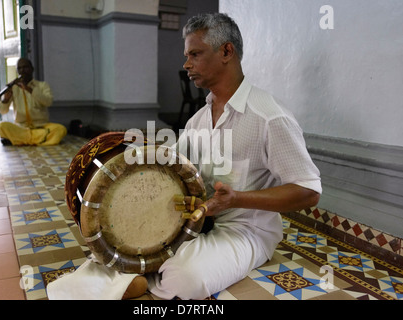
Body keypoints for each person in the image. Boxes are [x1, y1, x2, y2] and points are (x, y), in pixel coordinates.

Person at [47, 13, 322, 301]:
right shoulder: (198, 120)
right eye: (186, 55)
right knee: (121, 244)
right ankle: (138, 273)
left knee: (186, 279)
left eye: (195, 54)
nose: (186, 64)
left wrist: (236, 199)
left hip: (245, 230)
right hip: (197, 223)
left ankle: (136, 277)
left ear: (226, 51)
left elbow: (308, 191)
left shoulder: (269, 116)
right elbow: (176, 170)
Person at [0, 58, 67, 146]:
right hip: (21, 127)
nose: (22, 70)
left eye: (25, 67)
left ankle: (19, 140)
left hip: (41, 126)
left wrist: (29, 89)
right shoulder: (14, 88)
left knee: (60, 129)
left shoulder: (42, 85)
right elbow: (3, 111)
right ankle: (39, 140)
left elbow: (48, 102)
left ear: (32, 69)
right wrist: (5, 100)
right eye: (19, 68)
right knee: (1, 126)